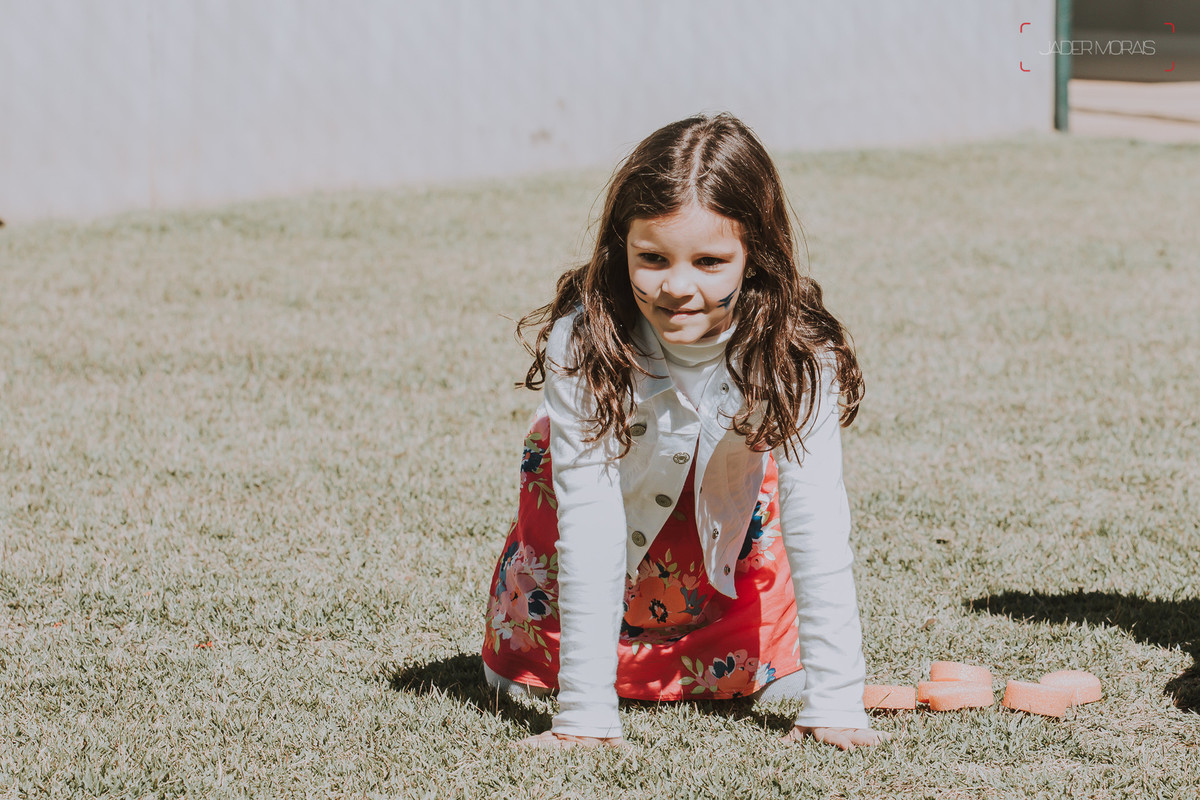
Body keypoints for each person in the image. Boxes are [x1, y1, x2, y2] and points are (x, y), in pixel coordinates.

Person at [481, 113, 888, 752]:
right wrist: (584, 713)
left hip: (717, 552)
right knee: (519, 689)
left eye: (709, 261)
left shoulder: (797, 353)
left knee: (772, 684)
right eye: (652, 258)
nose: (678, 287)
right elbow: (587, 517)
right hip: (583, 549)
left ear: (756, 253)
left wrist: (836, 700)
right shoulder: (585, 342)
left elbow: (815, 517)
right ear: (621, 246)